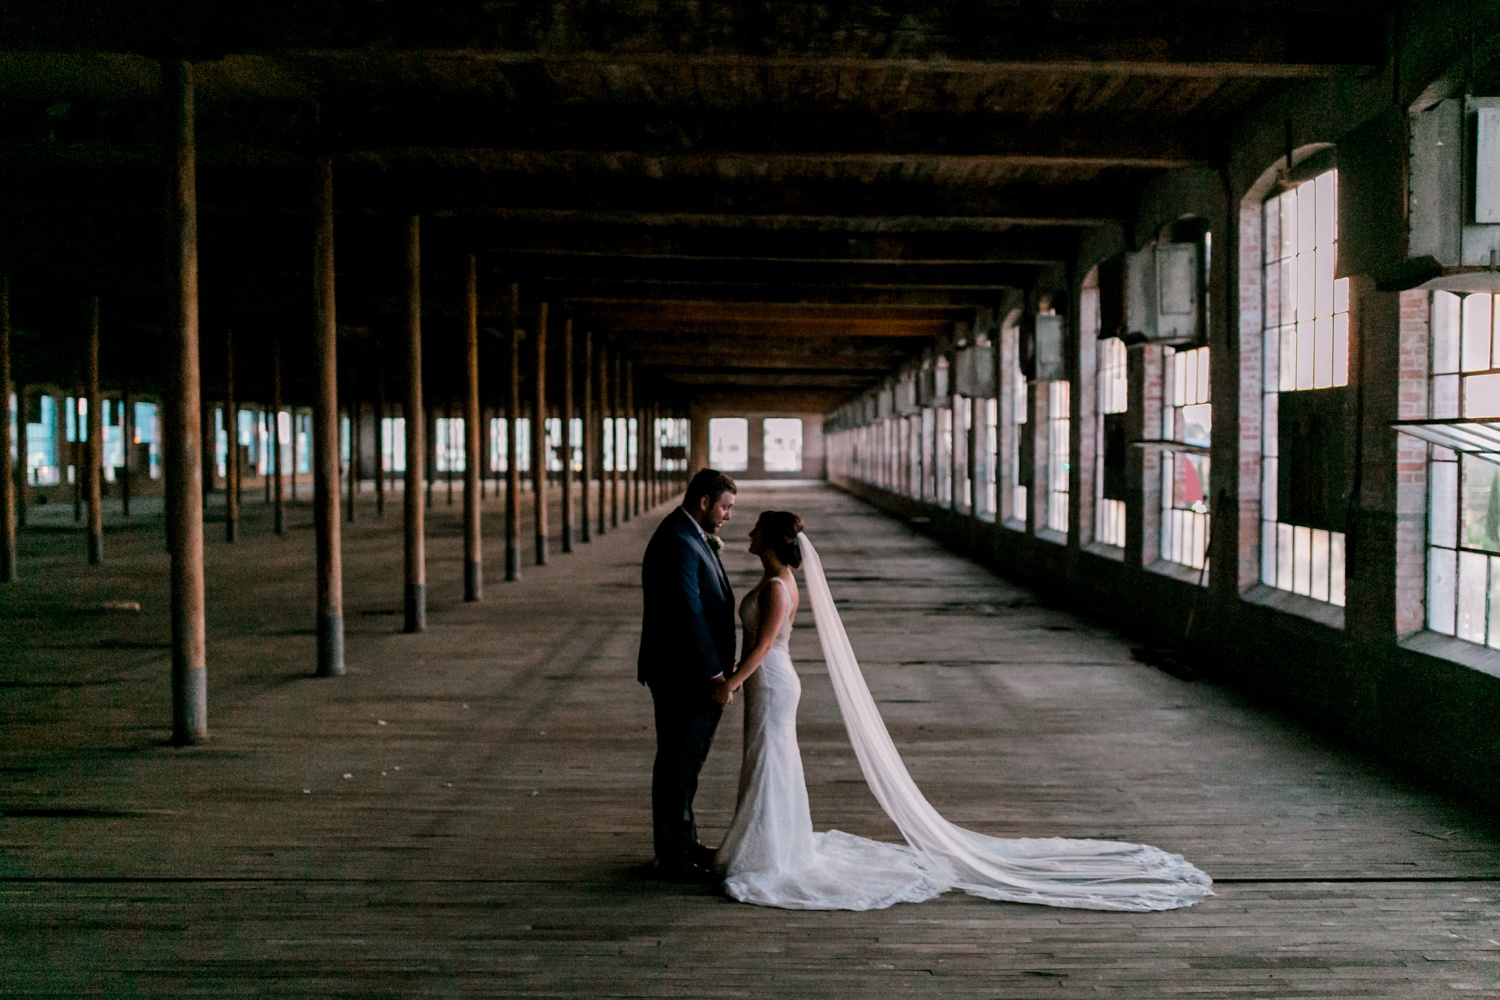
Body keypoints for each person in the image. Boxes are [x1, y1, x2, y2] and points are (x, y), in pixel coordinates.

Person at [711, 510, 1214, 912]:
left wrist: (732, 680)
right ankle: (768, 844)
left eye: (755, 528)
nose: (747, 531)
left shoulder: (779, 587)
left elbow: (766, 645)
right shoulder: (776, 579)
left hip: (772, 682)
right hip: (767, 683)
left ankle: (769, 853)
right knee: (767, 761)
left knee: (770, 760)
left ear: (772, 540)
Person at [637, 468, 738, 880]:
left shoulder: (690, 533)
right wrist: (715, 673)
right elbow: (688, 613)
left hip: (689, 673)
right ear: (703, 502)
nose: (729, 515)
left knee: (687, 762)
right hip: (684, 676)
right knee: (677, 763)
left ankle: (685, 840)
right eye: (726, 506)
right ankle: (672, 856)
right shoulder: (678, 541)